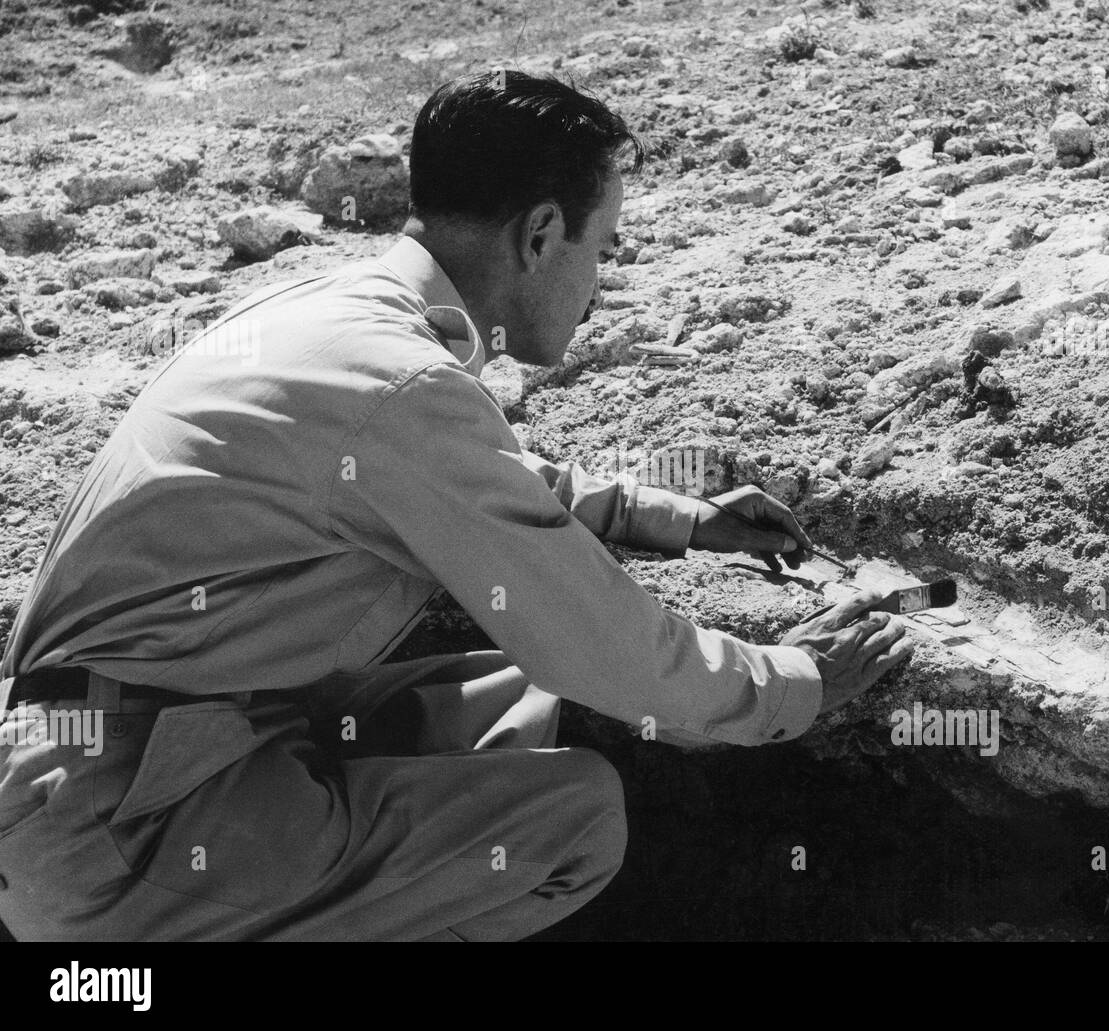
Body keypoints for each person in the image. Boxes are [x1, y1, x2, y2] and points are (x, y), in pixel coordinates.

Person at [0, 71, 912, 941]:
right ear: (543, 233)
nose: (603, 287)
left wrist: (669, 516)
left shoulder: (347, 316)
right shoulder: (401, 383)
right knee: (577, 816)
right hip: (115, 830)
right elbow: (598, 636)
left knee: (512, 697)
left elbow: (466, 478)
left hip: (127, 756)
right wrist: (797, 681)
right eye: (607, 250)